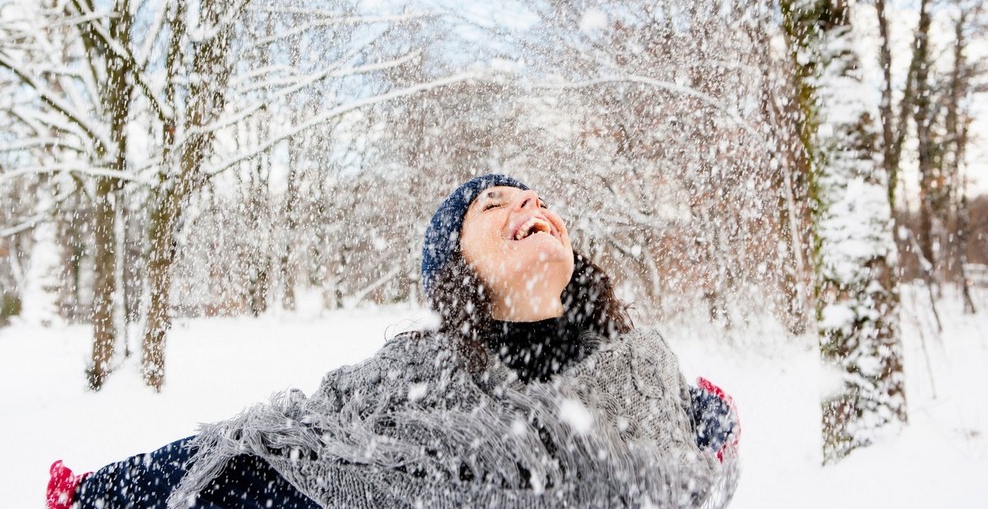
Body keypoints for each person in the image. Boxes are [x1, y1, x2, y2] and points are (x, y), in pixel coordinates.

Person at [48, 173, 739, 508]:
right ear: (456, 268)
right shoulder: (400, 395)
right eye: (494, 204)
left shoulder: (660, 387)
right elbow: (267, 456)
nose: (530, 205)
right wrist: (103, 494)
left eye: (535, 199)